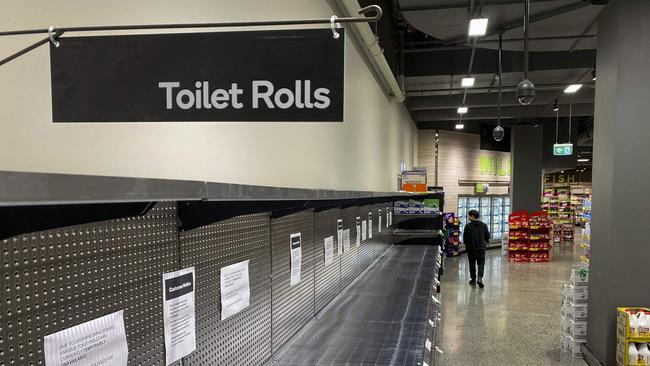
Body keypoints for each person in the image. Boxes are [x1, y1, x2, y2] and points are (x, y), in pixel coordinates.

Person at [463, 210, 490, 288]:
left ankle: (473, 280)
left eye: (469, 216)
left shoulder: (468, 226)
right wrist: (485, 243)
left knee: (472, 264)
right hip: (481, 248)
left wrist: (467, 246)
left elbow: (465, 238)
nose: (468, 217)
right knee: (481, 264)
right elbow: (487, 236)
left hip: (471, 249)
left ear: (473, 216)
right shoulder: (484, 225)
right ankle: (480, 278)